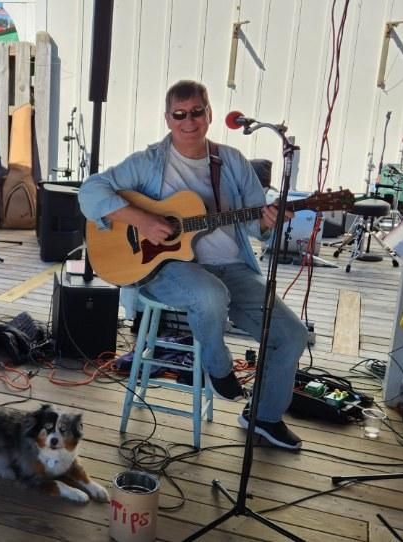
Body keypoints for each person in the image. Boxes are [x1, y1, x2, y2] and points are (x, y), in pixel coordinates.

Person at [78, 80, 308, 450]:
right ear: (168, 119)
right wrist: (142, 220)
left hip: (232, 267)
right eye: (180, 114)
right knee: (209, 294)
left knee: (292, 334)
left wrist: (267, 221)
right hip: (165, 270)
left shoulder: (230, 162)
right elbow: (90, 192)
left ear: (209, 114)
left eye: (196, 112)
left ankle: (263, 416)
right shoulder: (149, 163)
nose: (189, 121)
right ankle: (218, 367)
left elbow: (254, 224)